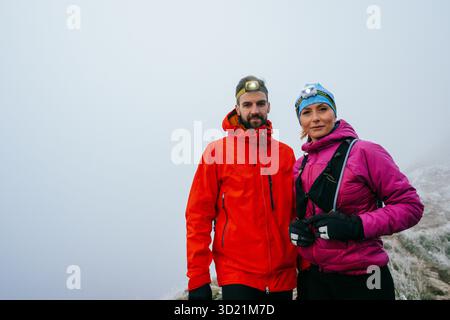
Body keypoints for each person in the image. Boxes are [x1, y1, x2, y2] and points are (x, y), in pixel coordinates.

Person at [289, 83, 424, 300]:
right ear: (300, 121)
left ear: (334, 112)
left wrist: (357, 225)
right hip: (316, 277)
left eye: (322, 109)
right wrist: (297, 230)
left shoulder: (365, 152)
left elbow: (411, 207)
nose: (315, 118)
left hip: (366, 276)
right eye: (306, 112)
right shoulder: (300, 165)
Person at [185, 76, 297, 300]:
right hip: (238, 278)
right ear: (237, 108)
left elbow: (297, 214)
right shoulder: (217, 153)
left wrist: (307, 268)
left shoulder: (285, 154)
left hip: (282, 279)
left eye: (260, 104)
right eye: (247, 104)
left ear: (268, 106)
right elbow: (198, 217)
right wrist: (198, 278)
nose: (254, 110)